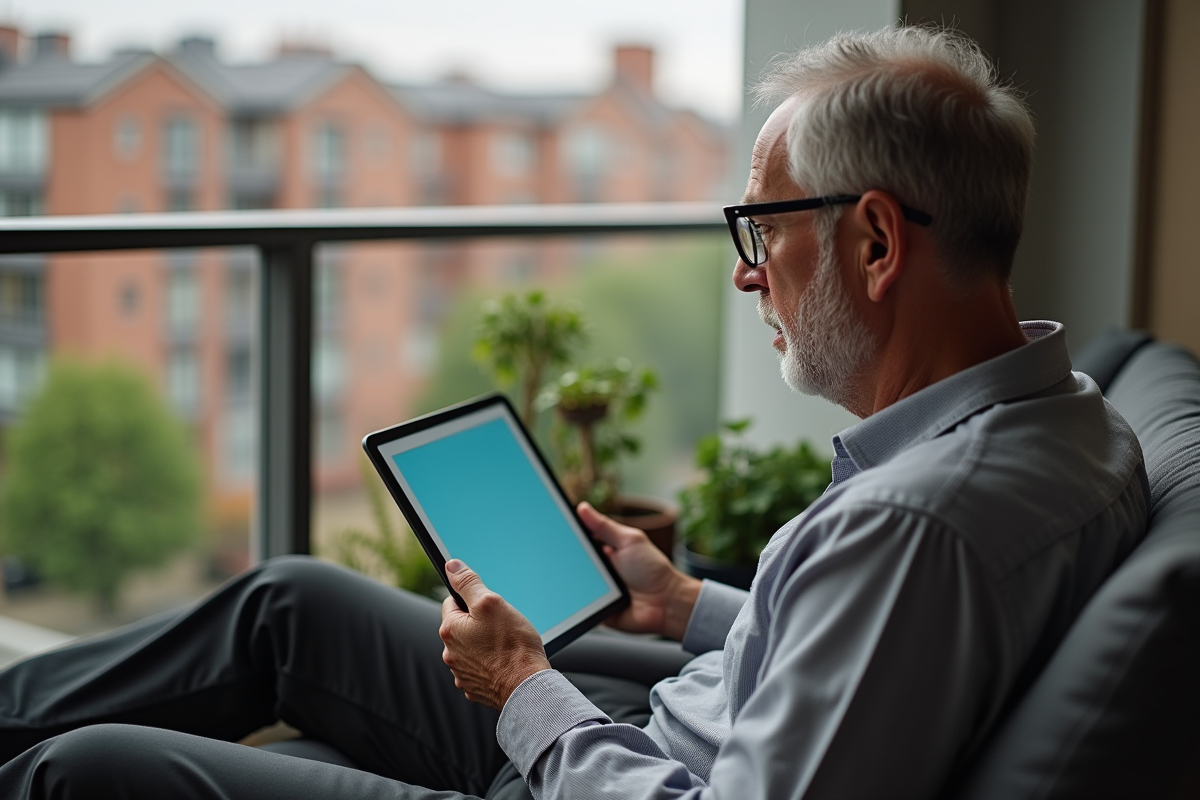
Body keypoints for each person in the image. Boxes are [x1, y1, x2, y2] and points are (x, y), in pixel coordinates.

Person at [0, 24, 1148, 800]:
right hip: (641, 725)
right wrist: (689, 603)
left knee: (87, 768)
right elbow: (854, 653)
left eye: (762, 230)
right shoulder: (1075, 418)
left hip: (594, 767)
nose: (747, 275)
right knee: (285, 598)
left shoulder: (917, 526)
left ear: (877, 240)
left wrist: (522, 688)